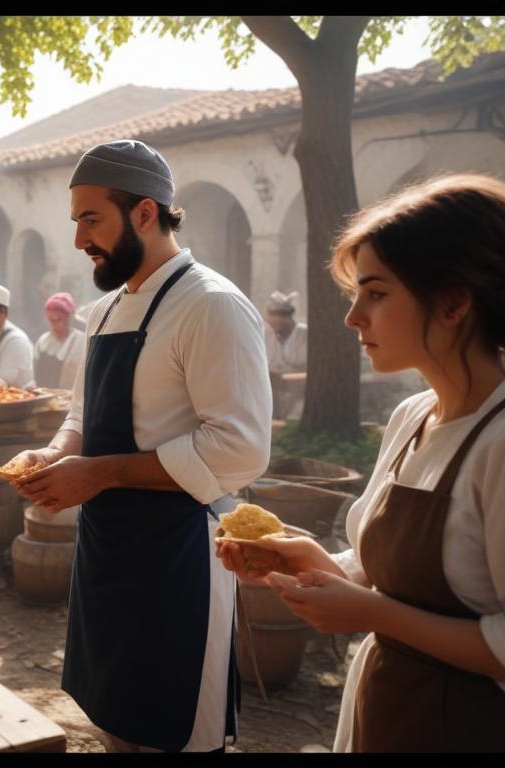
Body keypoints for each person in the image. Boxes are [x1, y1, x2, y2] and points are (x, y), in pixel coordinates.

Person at [217, 173, 505, 752]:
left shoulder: (498, 443)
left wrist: (370, 612)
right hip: (388, 704)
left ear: (453, 303)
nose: (352, 317)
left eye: (375, 293)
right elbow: (395, 579)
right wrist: (312, 563)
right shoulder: (412, 417)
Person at [6, 139, 271, 752]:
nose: (79, 240)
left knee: (172, 732)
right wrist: (56, 452)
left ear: (146, 214)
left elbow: (239, 450)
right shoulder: (101, 313)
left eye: (90, 219)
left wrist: (97, 475)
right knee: (112, 723)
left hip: (178, 559)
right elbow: (83, 413)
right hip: (106, 553)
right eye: (75, 222)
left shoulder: (211, 306)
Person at [264, 290, 308, 419]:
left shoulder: (303, 333)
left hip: (299, 384)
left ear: (290, 315)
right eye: (273, 314)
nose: (278, 319)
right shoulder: (264, 334)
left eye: (283, 315)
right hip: (271, 384)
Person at [30, 292, 87, 391]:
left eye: (59, 320)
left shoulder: (82, 342)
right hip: (43, 398)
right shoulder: (43, 341)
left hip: (68, 401)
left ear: (70, 317)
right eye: (51, 320)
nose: (55, 325)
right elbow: (34, 374)